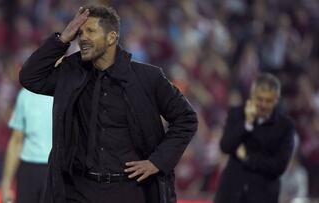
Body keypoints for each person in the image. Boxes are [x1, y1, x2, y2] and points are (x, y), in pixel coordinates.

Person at [19, 4, 198, 203]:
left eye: (90, 31)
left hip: (130, 191)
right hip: (78, 191)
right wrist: (62, 39)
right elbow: (30, 77)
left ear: (111, 37)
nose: (83, 37)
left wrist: (158, 161)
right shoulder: (71, 72)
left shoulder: (148, 78)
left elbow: (186, 118)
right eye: (80, 32)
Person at [214, 73, 295, 203]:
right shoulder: (237, 114)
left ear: (276, 99)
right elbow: (225, 146)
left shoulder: (285, 127)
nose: (263, 104)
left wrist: (248, 158)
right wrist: (247, 124)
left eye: (268, 100)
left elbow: (279, 166)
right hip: (230, 194)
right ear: (252, 96)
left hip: (262, 196)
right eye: (259, 99)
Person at [0, 88, 53, 203]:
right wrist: (6, 183)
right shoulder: (25, 95)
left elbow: (16, 141)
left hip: (54, 169)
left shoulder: (67, 90)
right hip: (30, 169)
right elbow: (16, 141)